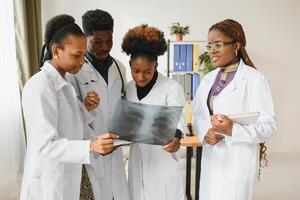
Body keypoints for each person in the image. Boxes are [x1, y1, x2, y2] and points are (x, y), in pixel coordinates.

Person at [20, 14, 118, 200]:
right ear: (56, 51)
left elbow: (71, 126)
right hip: (49, 181)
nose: (82, 61)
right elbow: (45, 147)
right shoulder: (40, 86)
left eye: (83, 54)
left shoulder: (64, 82)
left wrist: (86, 109)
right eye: (77, 55)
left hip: (71, 173)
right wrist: (91, 146)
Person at [192, 19, 277, 200]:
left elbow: (269, 126)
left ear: (236, 45)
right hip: (211, 162)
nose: (212, 51)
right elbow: (199, 115)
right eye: (209, 46)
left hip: (237, 166)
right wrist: (205, 133)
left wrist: (232, 130)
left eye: (219, 44)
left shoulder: (254, 79)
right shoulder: (208, 79)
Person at [66, 9, 130, 200]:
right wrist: (85, 106)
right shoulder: (74, 71)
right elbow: (70, 115)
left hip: (116, 148)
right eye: (97, 41)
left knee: (118, 193)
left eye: (109, 40)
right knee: (97, 192)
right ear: (86, 38)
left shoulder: (120, 67)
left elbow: (122, 104)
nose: (105, 47)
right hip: (91, 148)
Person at [121, 24, 186, 200]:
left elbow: (178, 123)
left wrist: (176, 137)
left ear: (156, 66)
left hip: (162, 164)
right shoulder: (128, 89)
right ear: (130, 65)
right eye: (136, 71)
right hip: (136, 162)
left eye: (147, 72)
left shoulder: (172, 88)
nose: (141, 77)